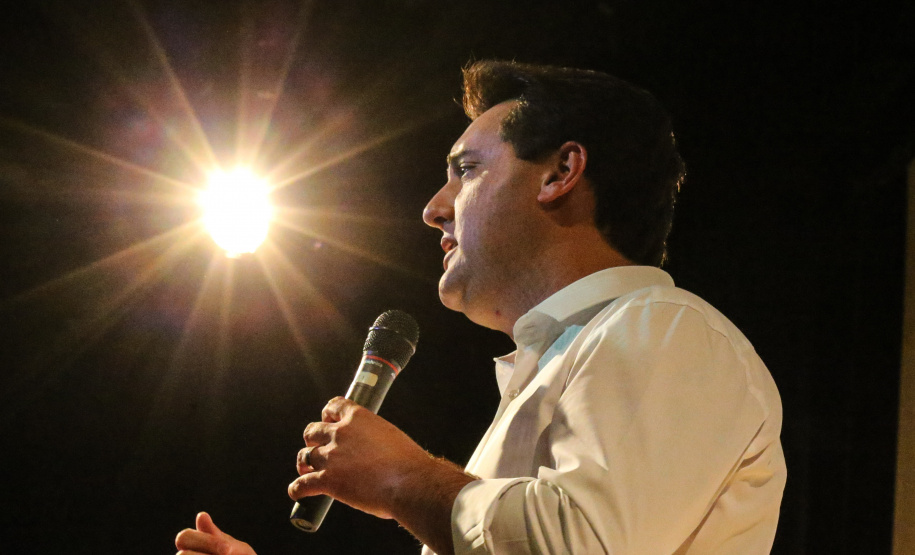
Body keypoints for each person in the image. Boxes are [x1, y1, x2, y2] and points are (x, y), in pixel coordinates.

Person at [176, 60, 786, 555]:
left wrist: (404, 479)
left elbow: (583, 547)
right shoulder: (561, 367)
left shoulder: (665, 327)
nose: (433, 208)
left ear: (560, 173)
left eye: (466, 171)